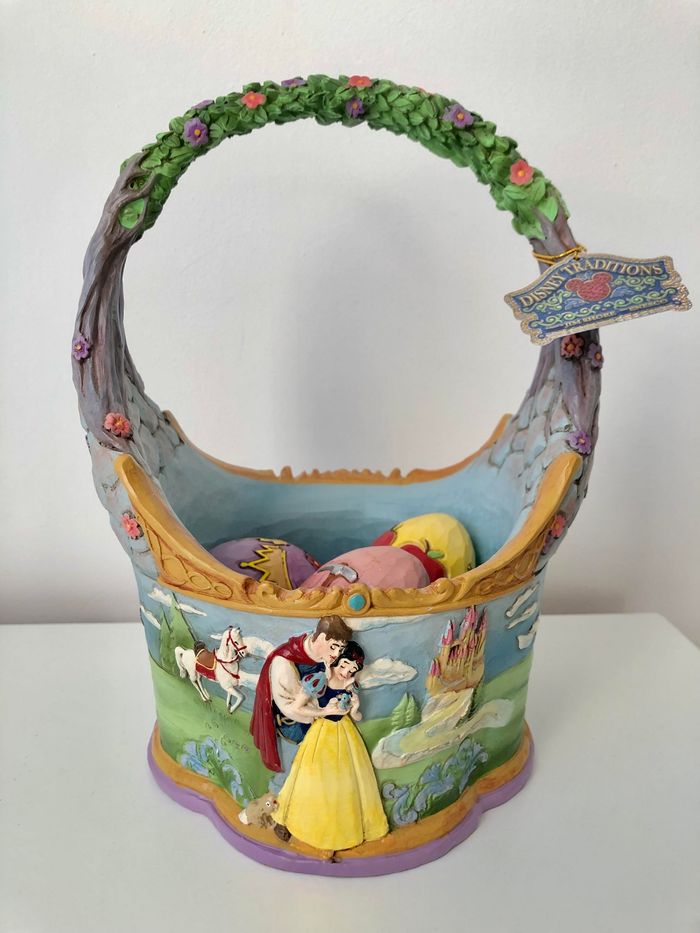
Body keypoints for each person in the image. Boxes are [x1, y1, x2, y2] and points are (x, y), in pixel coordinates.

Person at [272, 641, 389, 852]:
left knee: (348, 782)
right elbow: (297, 708)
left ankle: (344, 829)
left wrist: (355, 709)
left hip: (345, 733)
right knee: (309, 777)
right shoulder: (319, 680)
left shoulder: (350, 686)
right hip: (321, 733)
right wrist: (324, 712)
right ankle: (291, 820)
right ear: (336, 659)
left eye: (352, 669)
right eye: (344, 665)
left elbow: (356, 717)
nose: (346, 672)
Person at [250, 614, 352, 841]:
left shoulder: (326, 658)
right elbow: (291, 708)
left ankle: (309, 817)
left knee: (316, 773)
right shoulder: (284, 662)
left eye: (340, 649)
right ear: (321, 638)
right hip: (294, 728)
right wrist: (324, 712)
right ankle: (278, 817)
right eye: (334, 646)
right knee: (289, 773)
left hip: (319, 727)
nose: (337, 653)